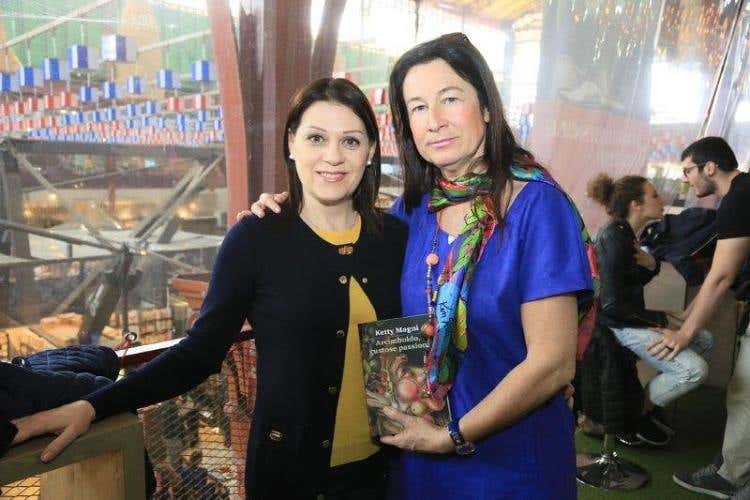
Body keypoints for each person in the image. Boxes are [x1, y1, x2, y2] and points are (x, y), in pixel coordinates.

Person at [10, 78, 408, 499]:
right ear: (292, 144)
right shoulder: (256, 239)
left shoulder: (397, 239)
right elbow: (199, 353)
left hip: (382, 477)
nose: (333, 156)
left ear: (370, 152)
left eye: (350, 141)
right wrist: (96, 404)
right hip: (288, 479)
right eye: (316, 138)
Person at [247, 33, 594, 499]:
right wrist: (287, 212)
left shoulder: (537, 207)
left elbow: (552, 364)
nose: (434, 121)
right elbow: (337, 246)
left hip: (510, 462)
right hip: (415, 460)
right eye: (417, 107)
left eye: (449, 98)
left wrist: (452, 436)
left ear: (486, 106)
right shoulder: (410, 214)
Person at [651, 137, 750, 499]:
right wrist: (688, 314)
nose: (686, 179)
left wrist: (685, 334)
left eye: (689, 170)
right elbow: (717, 274)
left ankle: (730, 477)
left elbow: (722, 276)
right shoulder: (742, 192)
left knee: (744, 392)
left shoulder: (738, 198)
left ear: (711, 167)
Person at [586, 173, 713, 446]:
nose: (662, 199)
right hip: (616, 326)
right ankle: (639, 411)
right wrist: (659, 321)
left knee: (703, 340)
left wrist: (651, 264)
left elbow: (630, 282)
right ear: (636, 204)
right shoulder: (613, 238)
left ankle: (644, 403)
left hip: (628, 318)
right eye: (654, 195)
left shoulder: (625, 234)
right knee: (695, 370)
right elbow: (612, 305)